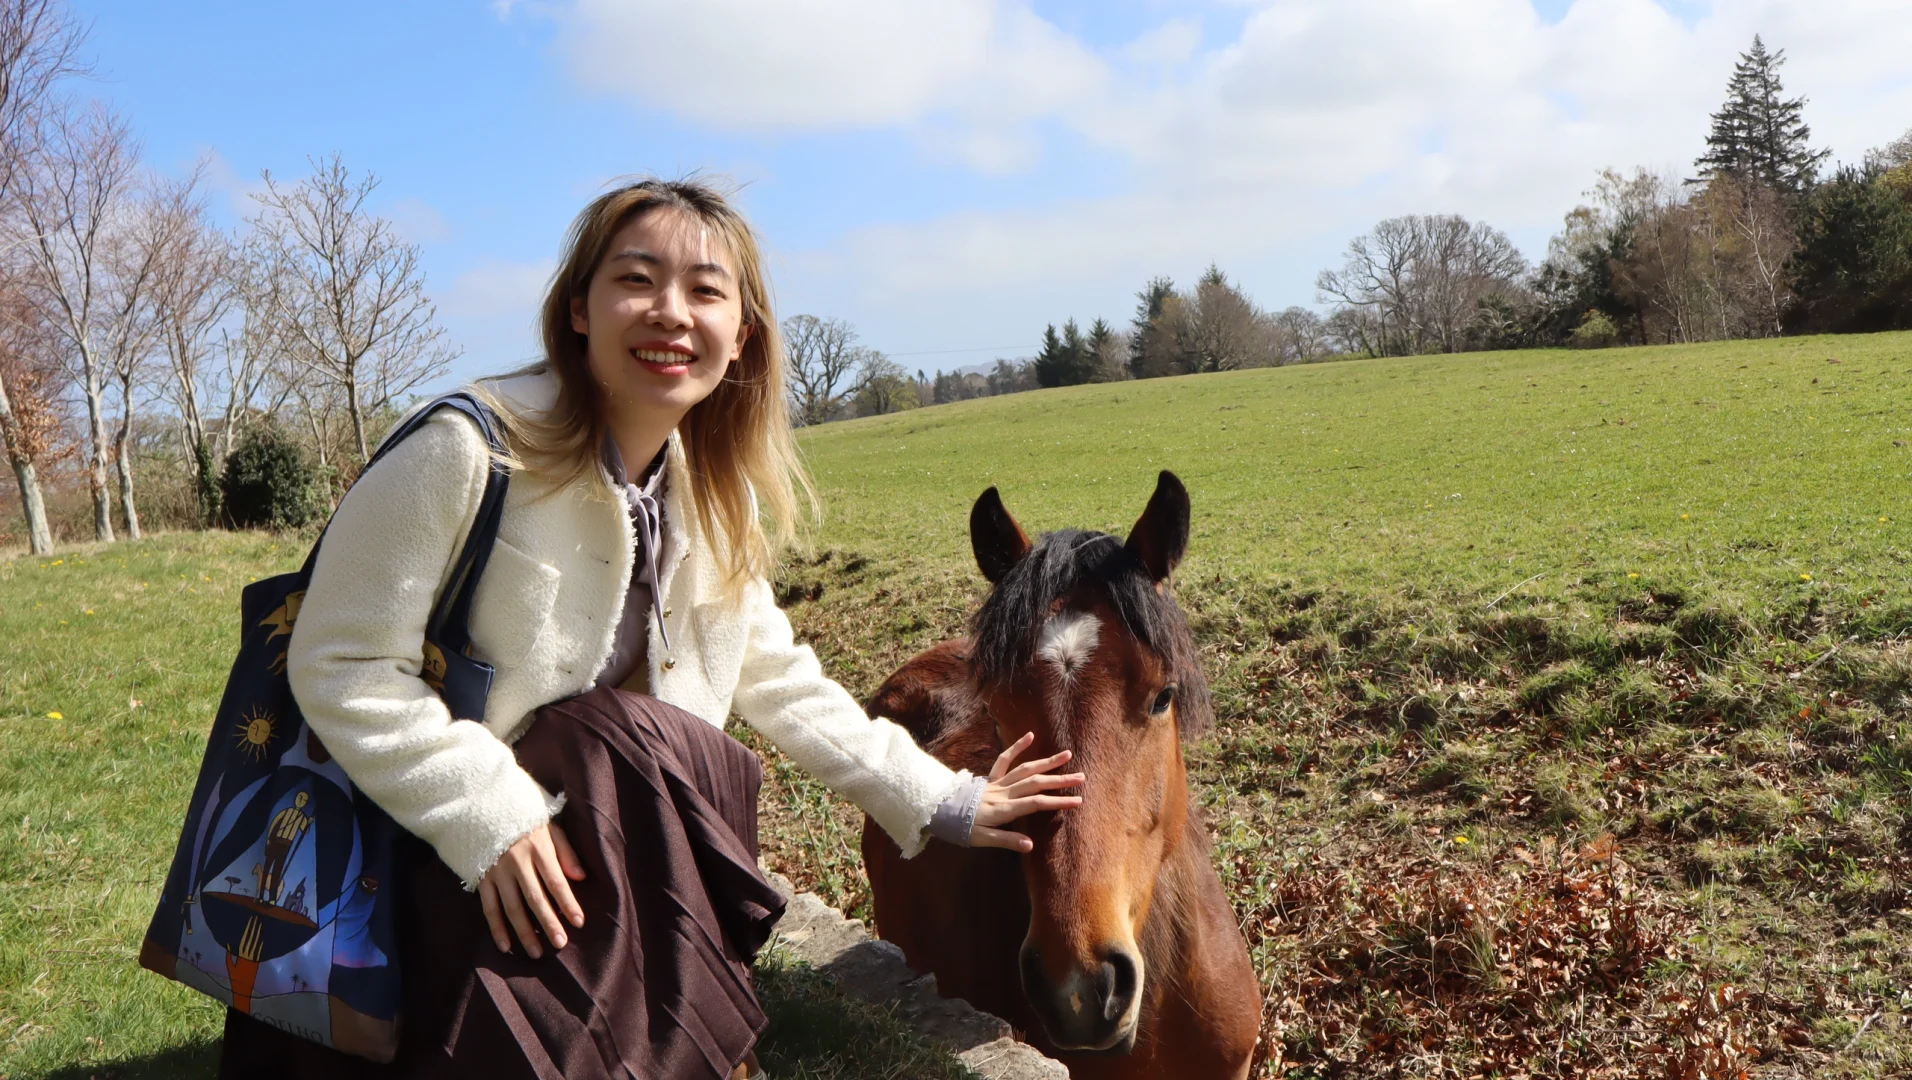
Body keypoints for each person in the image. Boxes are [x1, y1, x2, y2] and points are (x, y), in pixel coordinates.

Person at [216, 177, 1084, 1080]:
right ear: (580, 309)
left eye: (706, 291)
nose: (670, 313)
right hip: (428, 851)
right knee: (623, 737)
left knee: (684, 755)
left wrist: (947, 800)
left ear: (742, 334)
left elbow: (779, 680)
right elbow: (343, 661)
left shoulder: (711, 496)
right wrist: (492, 814)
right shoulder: (467, 450)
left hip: (585, 861)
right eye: (637, 280)